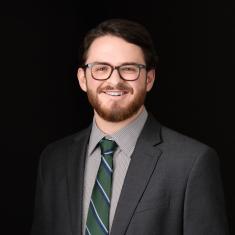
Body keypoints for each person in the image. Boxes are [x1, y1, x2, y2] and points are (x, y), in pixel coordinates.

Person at [31, 19, 229, 235]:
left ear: (149, 79)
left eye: (128, 68)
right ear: (83, 79)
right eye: (101, 68)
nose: (114, 80)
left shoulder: (192, 163)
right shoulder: (54, 160)